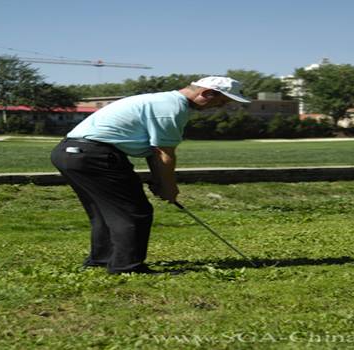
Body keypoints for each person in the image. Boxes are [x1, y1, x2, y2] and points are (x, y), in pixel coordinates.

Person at [50, 76, 250, 274]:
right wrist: (170, 188)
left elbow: (153, 151)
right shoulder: (172, 108)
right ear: (206, 94)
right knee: (134, 211)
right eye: (221, 101)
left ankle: (102, 260)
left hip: (70, 153)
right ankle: (126, 267)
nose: (219, 107)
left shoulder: (163, 100)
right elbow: (164, 153)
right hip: (94, 155)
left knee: (105, 212)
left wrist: (158, 181)